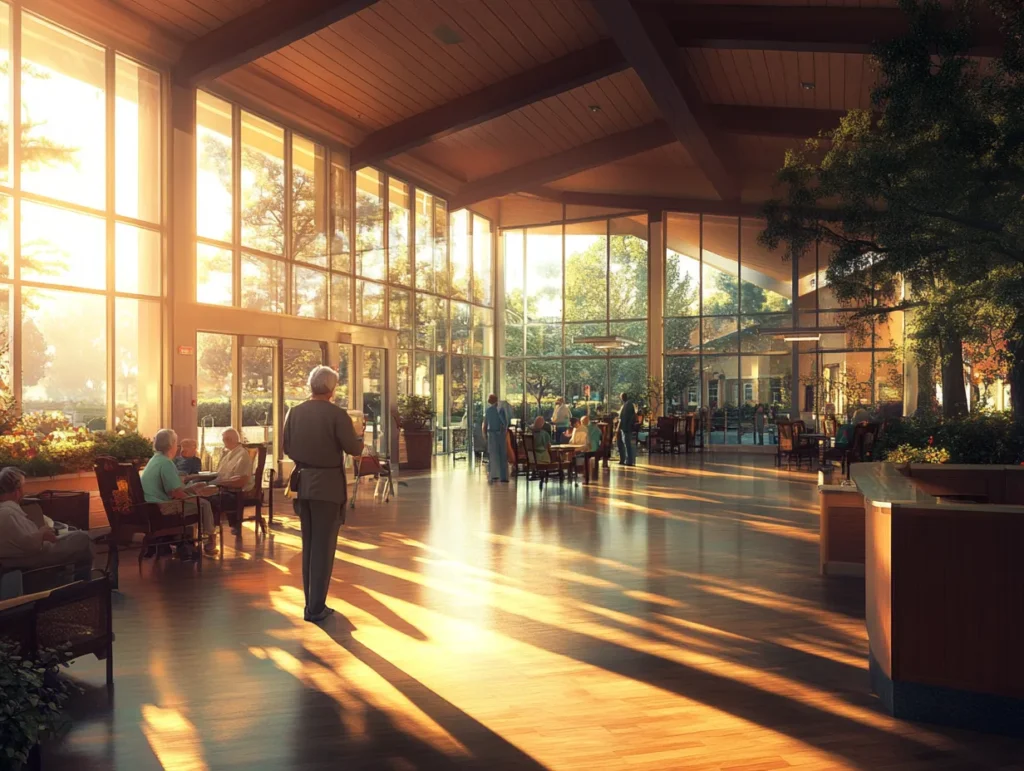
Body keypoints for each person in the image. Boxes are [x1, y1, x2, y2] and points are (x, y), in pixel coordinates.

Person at [283, 365, 364, 624]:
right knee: (323, 547)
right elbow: (353, 449)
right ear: (332, 389)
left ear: (310, 386)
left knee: (309, 545)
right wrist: (359, 436)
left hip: (303, 484)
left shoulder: (294, 413)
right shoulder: (337, 415)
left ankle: (311, 603)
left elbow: (287, 447)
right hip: (327, 486)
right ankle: (316, 608)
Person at [0, 467, 94, 577]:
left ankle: (79, 580)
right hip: (35, 557)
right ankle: (82, 582)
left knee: (75, 533)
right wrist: (42, 533)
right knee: (83, 539)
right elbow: (29, 545)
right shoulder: (8, 513)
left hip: (28, 556)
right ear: (17, 491)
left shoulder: (7, 511)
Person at [141, 429, 218, 555]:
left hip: (150, 505)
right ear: (171, 445)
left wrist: (192, 490)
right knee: (204, 504)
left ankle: (189, 541)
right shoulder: (166, 463)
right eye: (176, 443)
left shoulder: (155, 460)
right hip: (161, 507)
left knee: (197, 500)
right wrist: (196, 496)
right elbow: (175, 493)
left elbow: (171, 490)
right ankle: (210, 539)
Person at [208, 428, 255, 535]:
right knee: (202, 495)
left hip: (235, 493)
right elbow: (220, 474)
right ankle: (209, 530)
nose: (223, 442)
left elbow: (241, 482)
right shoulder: (229, 453)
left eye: (224, 440)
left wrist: (219, 483)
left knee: (208, 500)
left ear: (229, 439)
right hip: (225, 488)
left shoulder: (242, 455)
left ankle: (211, 531)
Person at [484, 394, 509, 484]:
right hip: (500, 433)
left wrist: (485, 435)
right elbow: (505, 422)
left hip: (492, 433)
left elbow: (486, 423)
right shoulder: (501, 410)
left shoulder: (488, 410)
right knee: (502, 454)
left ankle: (494, 475)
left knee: (493, 454)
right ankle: (503, 476)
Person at [617, 392, 637, 466]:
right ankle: (626, 459)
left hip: (626, 428)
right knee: (625, 443)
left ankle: (629, 460)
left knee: (627, 444)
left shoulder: (628, 405)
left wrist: (624, 426)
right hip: (624, 427)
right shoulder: (626, 405)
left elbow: (625, 417)